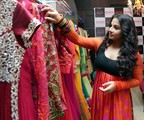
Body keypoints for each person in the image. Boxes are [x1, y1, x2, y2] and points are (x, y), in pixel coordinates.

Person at [41, 6, 143, 120]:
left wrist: (117, 85)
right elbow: (77, 39)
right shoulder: (100, 43)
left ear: (125, 32)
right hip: (100, 95)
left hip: (119, 97)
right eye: (111, 26)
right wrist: (60, 20)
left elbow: (137, 80)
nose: (110, 30)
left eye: (116, 27)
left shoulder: (133, 54)